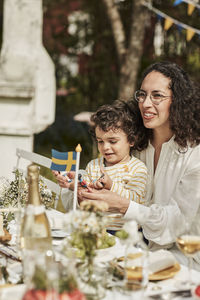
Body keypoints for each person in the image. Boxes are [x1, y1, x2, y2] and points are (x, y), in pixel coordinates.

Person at [78, 61, 200, 269]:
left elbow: (175, 224)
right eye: (142, 95)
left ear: (178, 101)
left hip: (186, 260)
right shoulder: (136, 143)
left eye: (157, 96)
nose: (145, 103)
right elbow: (109, 173)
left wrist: (124, 206)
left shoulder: (194, 155)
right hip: (136, 250)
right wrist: (82, 184)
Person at [53, 101, 148, 207]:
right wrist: (74, 185)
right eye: (100, 141)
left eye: (112, 141)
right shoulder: (93, 166)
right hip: (94, 221)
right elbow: (85, 201)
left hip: (123, 224)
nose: (105, 147)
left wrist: (111, 186)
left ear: (131, 140)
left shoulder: (137, 169)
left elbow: (137, 201)